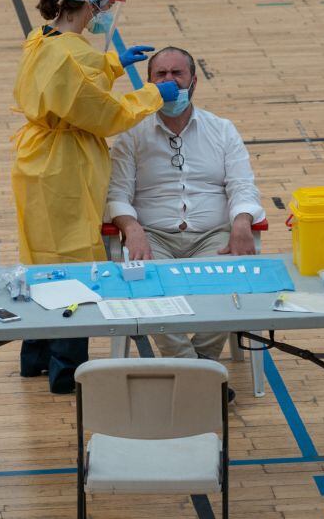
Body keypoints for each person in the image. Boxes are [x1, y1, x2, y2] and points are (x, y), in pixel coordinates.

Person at [12, 0, 180, 394]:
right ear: (89, 6)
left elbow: (68, 83)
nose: (104, 15)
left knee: (40, 256)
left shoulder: (41, 37)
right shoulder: (76, 54)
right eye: (103, 7)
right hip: (65, 164)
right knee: (74, 260)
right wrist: (152, 94)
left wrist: (112, 64)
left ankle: (35, 357)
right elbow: (106, 115)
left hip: (35, 158)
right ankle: (66, 371)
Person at [107, 46, 265, 396]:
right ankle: (204, 376)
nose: (169, 81)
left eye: (177, 74)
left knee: (228, 288)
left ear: (194, 81)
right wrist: (131, 229)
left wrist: (241, 223)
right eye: (160, 75)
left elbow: (242, 185)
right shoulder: (132, 134)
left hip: (212, 235)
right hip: (154, 237)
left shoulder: (222, 130)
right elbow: (117, 194)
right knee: (147, 292)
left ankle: (193, 371)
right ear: (149, 82)